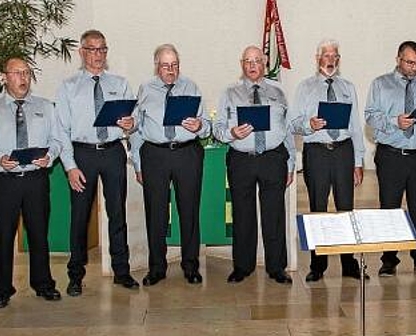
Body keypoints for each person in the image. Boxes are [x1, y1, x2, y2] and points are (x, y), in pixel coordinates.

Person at [55, 30, 138, 296]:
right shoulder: (69, 87)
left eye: (102, 49)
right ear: (81, 52)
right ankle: (75, 275)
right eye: (92, 49)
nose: (98, 55)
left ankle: (121, 271)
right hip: (83, 155)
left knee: (117, 213)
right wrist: (69, 166)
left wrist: (130, 123)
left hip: (113, 152)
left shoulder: (120, 83)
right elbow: (60, 131)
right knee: (80, 217)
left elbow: (132, 121)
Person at [213, 45, 295, 285]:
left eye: (256, 60)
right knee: (242, 214)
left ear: (265, 63)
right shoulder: (229, 93)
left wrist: (290, 162)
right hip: (242, 160)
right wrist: (232, 133)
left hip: (273, 158)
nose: (252, 65)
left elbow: (287, 129)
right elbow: (217, 129)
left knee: (274, 215)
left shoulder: (279, 92)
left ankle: (277, 267)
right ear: (242, 65)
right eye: (247, 61)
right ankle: (242, 266)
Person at [131, 44, 210, 286]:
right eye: (165, 66)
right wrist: (137, 163)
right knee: (156, 213)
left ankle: (191, 266)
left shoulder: (191, 86)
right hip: (155, 155)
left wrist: (200, 127)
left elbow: (205, 122)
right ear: (157, 66)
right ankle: (157, 267)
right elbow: (136, 129)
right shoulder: (145, 89)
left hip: (187, 153)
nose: (171, 70)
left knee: (189, 211)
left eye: (175, 65)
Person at [364, 41, 416, 277]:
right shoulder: (381, 84)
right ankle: (389, 259)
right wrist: (394, 122)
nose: (414, 67)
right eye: (410, 62)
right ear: (398, 59)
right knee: (389, 209)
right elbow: (370, 116)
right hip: (391, 155)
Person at [290, 40, 366, 282]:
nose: (330, 60)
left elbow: (355, 125)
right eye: (326, 55)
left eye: (334, 56)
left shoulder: (348, 87)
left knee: (346, 209)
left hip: (343, 151)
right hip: (317, 151)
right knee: (318, 209)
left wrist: (359, 160)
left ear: (339, 60)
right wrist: (308, 125)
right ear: (317, 58)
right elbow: (293, 123)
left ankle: (349, 263)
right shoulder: (305, 88)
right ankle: (318, 264)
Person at [0, 58, 62, 308]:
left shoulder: (45, 107)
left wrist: (50, 156)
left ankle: (43, 283)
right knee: (3, 236)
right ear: (4, 77)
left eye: (27, 73)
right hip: (5, 182)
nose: (23, 78)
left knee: (39, 234)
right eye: (17, 73)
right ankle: (2, 289)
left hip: (36, 179)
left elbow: (58, 140)